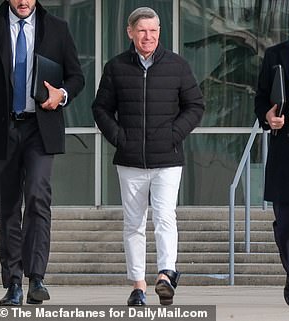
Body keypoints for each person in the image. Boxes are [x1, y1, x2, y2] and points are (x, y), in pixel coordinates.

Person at [92, 7, 204, 306]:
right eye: (142, 30)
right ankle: (138, 285)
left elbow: (195, 106)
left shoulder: (177, 66)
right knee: (134, 224)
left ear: (159, 33)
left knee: (166, 217)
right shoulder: (115, 67)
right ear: (130, 32)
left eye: (153, 30)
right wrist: (120, 138)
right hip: (130, 161)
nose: (148, 36)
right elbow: (100, 109)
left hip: (167, 159)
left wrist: (172, 135)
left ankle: (166, 274)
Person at [0, 0, 84, 306]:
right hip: (2, 129)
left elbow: (76, 77)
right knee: (7, 207)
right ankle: (14, 283)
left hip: (39, 129)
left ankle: (36, 279)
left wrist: (62, 94)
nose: (23, 2)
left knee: (37, 196)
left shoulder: (57, 29)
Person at [255, 0, 289, 307]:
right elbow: (260, 99)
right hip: (285, 153)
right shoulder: (275, 55)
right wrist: (268, 118)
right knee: (284, 224)